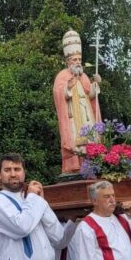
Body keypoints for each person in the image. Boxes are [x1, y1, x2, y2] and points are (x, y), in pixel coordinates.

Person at [53, 27, 102, 175]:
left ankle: (91, 165)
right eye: (75, 60)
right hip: (72, 116)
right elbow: (58, 93)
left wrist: (96, 84)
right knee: (75, 141)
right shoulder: (62, 75)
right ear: (68, 61)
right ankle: (74, 167)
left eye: (79, 59)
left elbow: (91, 95)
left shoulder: (84, 77)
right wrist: (68, 86)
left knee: (89, 140)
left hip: (85, 114)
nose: (78, 62)